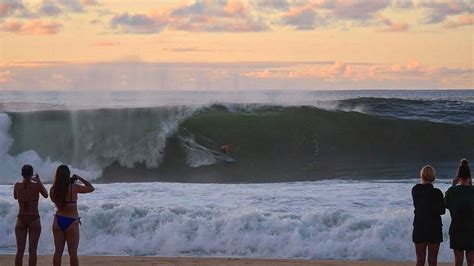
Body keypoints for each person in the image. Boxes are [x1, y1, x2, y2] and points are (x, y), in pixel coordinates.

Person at [50, 165, 94, 266]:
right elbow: (91, 188)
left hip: (58, 220)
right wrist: (79, 178)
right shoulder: (74, 188)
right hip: (72, 222)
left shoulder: (53, 189)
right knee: (73, 254)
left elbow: (56, 202)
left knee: (58, 252)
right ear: (68, 175)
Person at [13, 165, 48, 266]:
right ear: (32, 174)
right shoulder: (36, 186)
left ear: (22, 174)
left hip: (21, 219)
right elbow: (46, 195)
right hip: (34, 219)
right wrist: (39, 181)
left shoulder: (17, 186)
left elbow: (15, 197)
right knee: (32, 251)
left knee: (20, 251)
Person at [412, 165, 445, 266]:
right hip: (434, 228)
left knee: (420, 260)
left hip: (419, 227)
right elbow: (442, 211)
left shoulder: (415, 190)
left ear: (421, 176)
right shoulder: (437, 193)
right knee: (432, 260)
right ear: (434, 178)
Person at [445, 159, 474, 266]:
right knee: (471, 262)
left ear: (458, 177)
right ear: (469, 177)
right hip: (472, 228)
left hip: (457, 229)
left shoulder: (452, 191)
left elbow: (445, 205)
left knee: (458, 261)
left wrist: (452, 185)